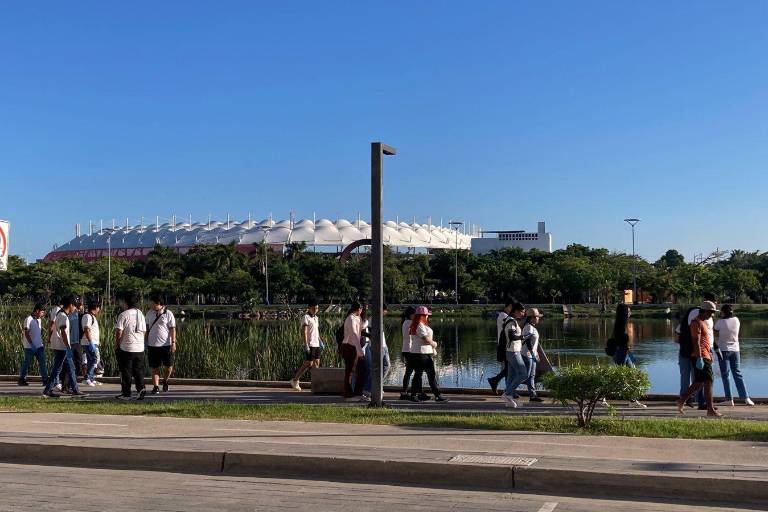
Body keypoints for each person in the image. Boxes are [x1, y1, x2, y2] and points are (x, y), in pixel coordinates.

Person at [676, 301, 722, 417]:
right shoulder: (695, 323)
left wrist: (713, 352)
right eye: (711, 312)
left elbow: (707, 341)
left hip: (706, 355)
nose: (712, 315)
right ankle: (710, 410)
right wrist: (699, 358)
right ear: (704, 311)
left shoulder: (704, 322)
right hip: (700, 356)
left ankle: (682, 400)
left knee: (699, 382)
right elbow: (696, 341)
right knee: (708, 381)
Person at [42, 296, 85, 397]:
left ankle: (73, 389)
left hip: (61, 346)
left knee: (68, 368)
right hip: (62, 347)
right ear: (70, 305)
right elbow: (63, 332)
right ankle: (73, 390)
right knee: (60, 369)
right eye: (74, 306)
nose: (75, 308)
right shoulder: (63, 316)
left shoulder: (61, 314)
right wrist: (68, 346)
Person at [714, 305, 755, 407]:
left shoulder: (720, 322)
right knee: (737, 373)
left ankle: (729, 399)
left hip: (723, 350)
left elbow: (714, 333)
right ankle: (746, 398)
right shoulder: (736, 320)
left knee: (725, 375)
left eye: (721, 312)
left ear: (723, 312)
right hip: (736, 350)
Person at [610, 303, 647, 408]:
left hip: (625, 353)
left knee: (632, 376)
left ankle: (633, 400)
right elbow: (620, 342)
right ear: (624, 313)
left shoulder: (623, 324)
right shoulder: (621, 326)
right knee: (619, 377)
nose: (630, 312)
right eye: (629, 310)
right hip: (621, 354)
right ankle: (601, 397)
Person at [409, 306, 448, 402]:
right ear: (421, 316)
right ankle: (437, 395)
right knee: (430, 374)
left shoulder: (418, 324)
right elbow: (425, 339)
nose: (427, 317)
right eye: (426, 315)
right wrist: (434, 343)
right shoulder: (419, 325)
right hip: (422, 353)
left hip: (419, 353)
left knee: (419, 374)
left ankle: (414, 395)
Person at [115, 294, 147, 400]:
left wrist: (117, 344)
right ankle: (141, 389)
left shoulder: (123, 315)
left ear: (126, 303)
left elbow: (119, 332)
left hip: (127, 347)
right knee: (138, 370)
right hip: (140, 347)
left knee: (126, 371)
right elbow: (144, 331)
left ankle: (126, 393)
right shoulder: (141, 314)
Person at [145, 294, 177, 395]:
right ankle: (156, 386)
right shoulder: (149, 313)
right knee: (154, 367)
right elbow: (147, 329)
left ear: (158, 303)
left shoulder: (168, 313)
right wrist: (144, 342)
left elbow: (172, 329)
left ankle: (165, 381)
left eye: (152, 303)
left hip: (166, 344)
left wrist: (173, 343)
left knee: (169, 366)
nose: (150, 304)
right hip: (152, 345)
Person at [290, 299, 322, 391]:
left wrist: (320, 341)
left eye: (317, 308)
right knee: (308, 363)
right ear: (309, 308)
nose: (316, 310)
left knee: (317, 363)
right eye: (314, 308)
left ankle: (315, 383)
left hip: (316, 343)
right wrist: (306, 345)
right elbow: (304, 332)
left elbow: (316, 331)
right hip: (310, 343)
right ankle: (295, 380)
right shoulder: (306, 317)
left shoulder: (316, 318)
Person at [500, 302, 526, 407]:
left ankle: (509, 400)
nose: (523, 314)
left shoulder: (510, 320)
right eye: (521, 312)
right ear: (515, 311)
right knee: (523, 373)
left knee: (511, 377)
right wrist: (523, 336)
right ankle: (507, 393)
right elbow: (512, 337)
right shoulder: (511, 321)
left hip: (511, 351)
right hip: (513, 351)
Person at [363, 303, 391, 398]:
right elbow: (372, 333)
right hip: (376, 346)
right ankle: (368, 389)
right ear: (382, 310)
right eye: (385, 310)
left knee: (387, 365)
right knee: (374, 368)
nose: (386, 312)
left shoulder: (380, 319)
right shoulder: (373, 319)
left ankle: (377, 385)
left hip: (384, 346)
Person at [340, 302, 366, 401]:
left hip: (354, 346)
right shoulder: (350, 318)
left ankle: (357, 392)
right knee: (350, 370)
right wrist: (360, 352)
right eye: (362, 309)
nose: (362, 311)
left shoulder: (357, 318)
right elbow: (354, 335)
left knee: (361, 369)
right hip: (349, 346)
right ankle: (348, 394)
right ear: (359, 309)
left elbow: (360, 329)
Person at [488, 302, 515, 395]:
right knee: (509, 367)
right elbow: (509, 327)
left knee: (509, 367)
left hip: (506, 345)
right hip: (504, 345)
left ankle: (507, 388)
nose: (512, 310)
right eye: (511, 307)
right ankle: (497, 382)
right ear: (508, 306)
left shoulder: (504, 316)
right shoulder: (503, 315)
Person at [19, 303, 48, 387]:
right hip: (29, 346)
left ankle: (45, 380)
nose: (43, 314)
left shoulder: (39, 320)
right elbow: (26, 332)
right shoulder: (28, 319)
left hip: (39, 345)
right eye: (42, 312)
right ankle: (22, 379)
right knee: (27, 363)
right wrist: (31, 344)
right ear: (37, 311)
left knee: (42, 363)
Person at [521, 308, 544, 402]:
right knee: (526, 375)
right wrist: (532, 353)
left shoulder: (531, 327)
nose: (538, 318)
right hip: (527, 355)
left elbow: (534, 343)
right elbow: (527, 341)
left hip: (531, 354)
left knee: (531, 375)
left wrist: (536, 353)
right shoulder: (528, 327)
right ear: (532, 318)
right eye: (537, 317)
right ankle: (509, 391)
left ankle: (533, 395)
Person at [81, 301, 102, 387]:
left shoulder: (92, 317)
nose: (99, 310)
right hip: (88, 342)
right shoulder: (87, 316)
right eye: (99, 308)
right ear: (96, 307)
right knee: (94, 359)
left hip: (92, 342)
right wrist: (91, 342)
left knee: (91, 360)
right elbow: (86, 329)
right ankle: (87, 378)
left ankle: (91, 378)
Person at [399, 306, 416, 400]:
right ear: (411, 315)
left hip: (406, 349)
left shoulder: (406, 322)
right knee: (411, 371)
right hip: (409, 350)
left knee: (409, 371)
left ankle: (405, 392)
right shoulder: (409, 322)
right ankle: (407, 392)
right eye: (415, 314)